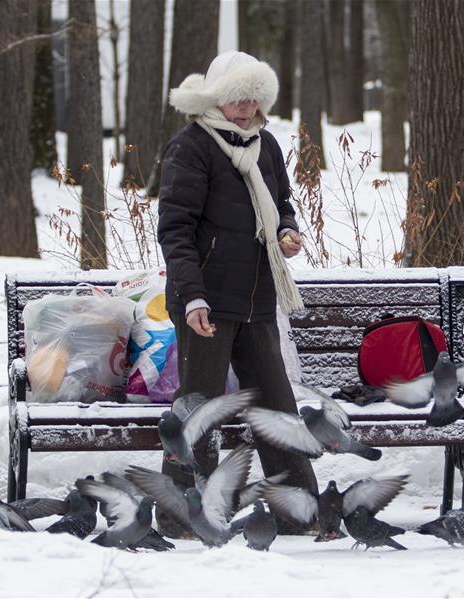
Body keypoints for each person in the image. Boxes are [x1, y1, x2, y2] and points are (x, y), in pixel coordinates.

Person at [156, 51, 318, 536]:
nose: (247, 109)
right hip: (205, 300)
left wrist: (286, 230)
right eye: (237, 99)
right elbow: (176, 230)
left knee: (277, 406)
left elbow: (282, 202)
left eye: (254, 99)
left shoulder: (265, 144)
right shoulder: (191, 147)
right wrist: (193, 297)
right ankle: (182, 515)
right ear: (215, 98)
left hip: (257, 296)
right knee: (199, 409)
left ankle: (299, 510)